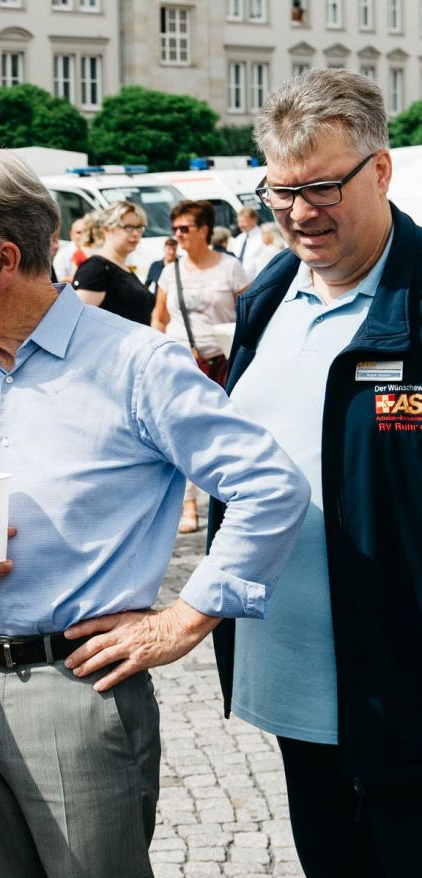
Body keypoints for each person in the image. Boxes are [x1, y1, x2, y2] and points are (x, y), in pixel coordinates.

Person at [0, 146, 309, 878]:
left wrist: (183, 620)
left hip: (76, 690)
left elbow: (271, 487)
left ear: (4, 259)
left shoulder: (137, 365)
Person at [210, 68, 422, 878]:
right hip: (295, 685)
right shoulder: (269, 296)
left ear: (381, 169)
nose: (300, 213)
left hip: (404, 692)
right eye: (280, 191)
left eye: (323, 187)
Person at [152, 199, 250, 533]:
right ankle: (189, 506)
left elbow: (250, 315)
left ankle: (234, 502)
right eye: (175, 229)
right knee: (180, 434)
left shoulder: (229, 267)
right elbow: (160, 317)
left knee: (226, 434)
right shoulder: (171, 271)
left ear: (204, 230)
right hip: (181, 361)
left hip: (221, 360)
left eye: (185, 228)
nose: (178, 235)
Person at [71, 200, 156, 325]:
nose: (136, 233)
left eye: (139, 227)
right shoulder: (97, 269)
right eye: (128, 227)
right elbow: (75, 321)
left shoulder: (121, 267)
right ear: (107, 230)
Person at [231, 205, 265, 279]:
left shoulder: (263, 238)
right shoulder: (239, 239)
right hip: (239, 282)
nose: (240, 225)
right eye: (239, 222)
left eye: (243, 221)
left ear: (254, 220)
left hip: (256, 281)